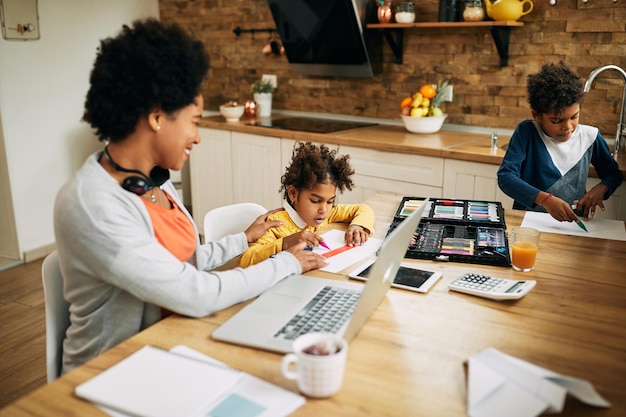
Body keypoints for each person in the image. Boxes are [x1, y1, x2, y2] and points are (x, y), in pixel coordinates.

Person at [53, 19, 326, 374]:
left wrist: (244, 240)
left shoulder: (152, 181)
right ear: (156, 117)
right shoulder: (92, 204)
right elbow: (195, 292)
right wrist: (288, 263)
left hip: (175, 341)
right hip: (113, 374)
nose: (197, 137)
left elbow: (182, 260)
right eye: (194, 120)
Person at [497, 61, 623, 222]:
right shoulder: (527, 132)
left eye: (574, 117)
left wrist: (601, 188)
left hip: (573, 225)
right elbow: (506, 177)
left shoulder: (590, 137)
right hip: (528, 222)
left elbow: (613, 174)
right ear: (537, 115)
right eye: (556, 120)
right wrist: (545, 200)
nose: (568, 127)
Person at [238, 141, 375, 267]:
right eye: (315, 201)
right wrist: (284, 243)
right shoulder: (276, 225)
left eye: (330, 201)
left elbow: (363, 209)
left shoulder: (324, 214)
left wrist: (357, 226)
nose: (324, 209)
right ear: (293, 194)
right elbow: (244, 261)